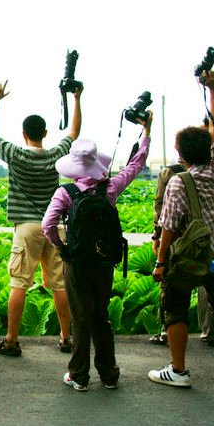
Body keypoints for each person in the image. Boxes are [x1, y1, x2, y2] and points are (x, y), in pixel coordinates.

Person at [43, 111, 152, 391]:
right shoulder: (110, 188)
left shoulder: (66, 192)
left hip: (77, 262)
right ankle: (109, 375)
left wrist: (62, 248)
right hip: (104, 261)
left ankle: (79, 376)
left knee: (81, 317)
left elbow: (48, 225)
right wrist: (146, 134)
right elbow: (135, 166)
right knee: (101, 316)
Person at [149, 70, 214, 388]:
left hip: (186, 258)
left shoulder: (179, 182)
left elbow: (169, 227)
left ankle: (178, 370)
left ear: (180, 155)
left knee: (175, 308)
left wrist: (161, 262)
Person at [0, 80, 81, 356]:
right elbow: (73, 131)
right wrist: (76, 99)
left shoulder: (15, 154)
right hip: (55, 226)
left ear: (23, 134)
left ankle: (12, 340)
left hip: (26, 228)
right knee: (60, 285)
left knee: (19, 284)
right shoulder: (55, 155)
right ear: (45, 133)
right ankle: (65, 338)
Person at [148, 163, 214, 347]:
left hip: (177, 238)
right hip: (205, 236)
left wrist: (157, 238)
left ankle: (167, 331)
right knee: (209, 278)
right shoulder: (211, 172)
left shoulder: (170, 174)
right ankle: (210, 331)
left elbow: (161, 209)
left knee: (172, 283)